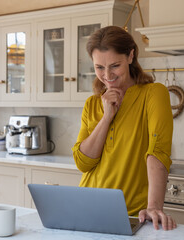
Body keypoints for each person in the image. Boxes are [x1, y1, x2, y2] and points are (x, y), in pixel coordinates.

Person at [72, 26, 176, 231]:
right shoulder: (93, 104)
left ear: (130, 55)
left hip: (130, 214)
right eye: (99, 67)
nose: (107, 75)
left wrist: (154, 207)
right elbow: (82, 162)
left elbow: (158, 151)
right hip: (86, 210)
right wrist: (106, 117)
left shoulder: (153, 94)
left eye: (114, 65)